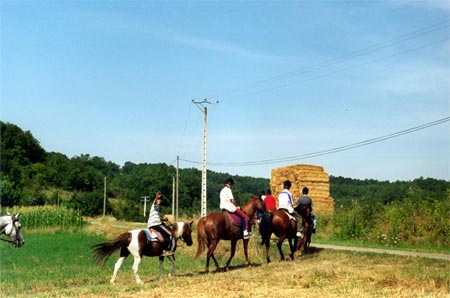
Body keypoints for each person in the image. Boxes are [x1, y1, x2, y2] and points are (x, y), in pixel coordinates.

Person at [147, 190, 175, 255]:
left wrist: (163, 219)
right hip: (156, 224)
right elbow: (154, 201)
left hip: (151, 224)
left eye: (160, 200)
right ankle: (166, 249)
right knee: (170, 234)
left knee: (162, 235)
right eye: (159, 199)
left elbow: (156, 216)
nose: (159, 201)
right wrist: (156, 197)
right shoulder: (155, 204)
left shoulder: (157, 208)